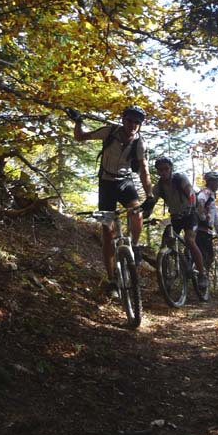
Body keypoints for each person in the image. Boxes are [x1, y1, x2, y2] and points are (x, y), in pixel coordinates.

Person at [69, 105, 153, 296]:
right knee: (107, 233)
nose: (133, 125)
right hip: (106, 184)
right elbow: (80, 137)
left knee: (137, 211)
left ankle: (135, 246)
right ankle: (112, 280)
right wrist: (78, 121)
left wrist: (150, 195)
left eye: (137, 123)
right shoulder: (110, 131)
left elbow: (144, 170)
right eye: (130, 120)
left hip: (125, 183)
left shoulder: (140, 143)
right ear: (123, 120)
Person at [140, 157, 208, 292]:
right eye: (160, 170)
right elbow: (150, 202)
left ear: (171, 168)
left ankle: (202, 274)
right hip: (175, 217)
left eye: (166, 168)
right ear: (158, 172)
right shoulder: (159, 186)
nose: (164, 172)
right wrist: (143, 215)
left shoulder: (180, 178)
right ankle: (167, 276)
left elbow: (190, 193)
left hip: (190, 215)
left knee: (189, 240)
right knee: (166, 243)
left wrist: (191, 205)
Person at [196, 171, 218, 269]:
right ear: (211, 182)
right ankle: (201, 276)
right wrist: (202, 217)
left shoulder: (211, 195)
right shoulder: (206, 192)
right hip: (202, 229)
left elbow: (215, 215)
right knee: (206, 256)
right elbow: (200, 200)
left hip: (207, 230)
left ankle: (202, 275)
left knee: (209, 256)